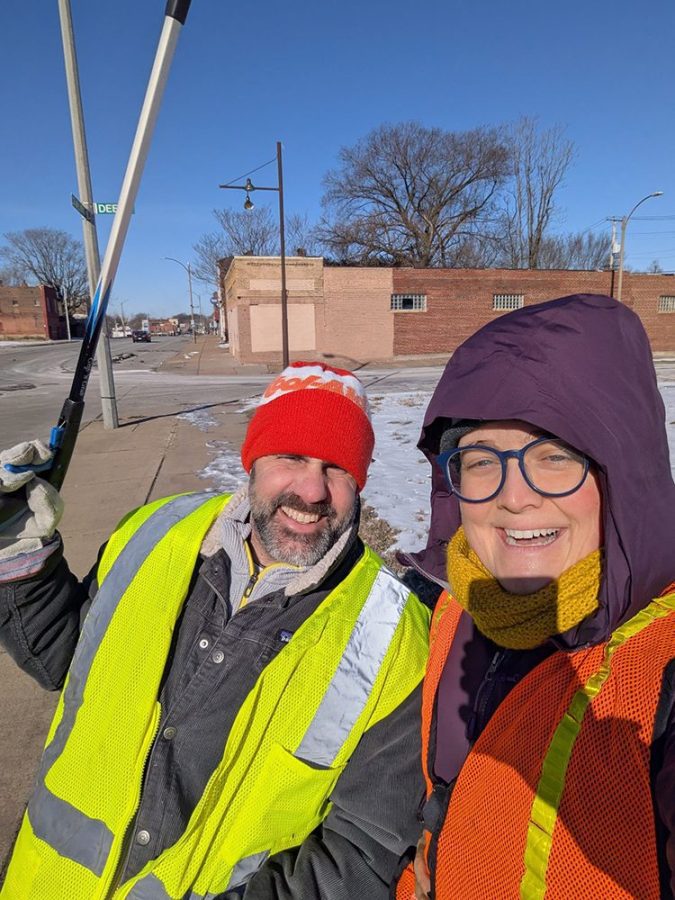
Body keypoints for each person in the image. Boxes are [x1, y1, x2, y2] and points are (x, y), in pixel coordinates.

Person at [0, 361, 430, 899]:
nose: (312, 490)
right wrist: (18, 553)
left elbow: (361, 849)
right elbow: (67, 663)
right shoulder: (153, 533)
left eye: (338, 468)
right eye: (290, 456)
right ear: (253, 461)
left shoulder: (395, 638)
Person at [395, 294, 675, 899]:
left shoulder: (663, 667)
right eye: (481, 461)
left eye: (555, 456)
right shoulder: (457, 609)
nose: (515, 496)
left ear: (623, 472)